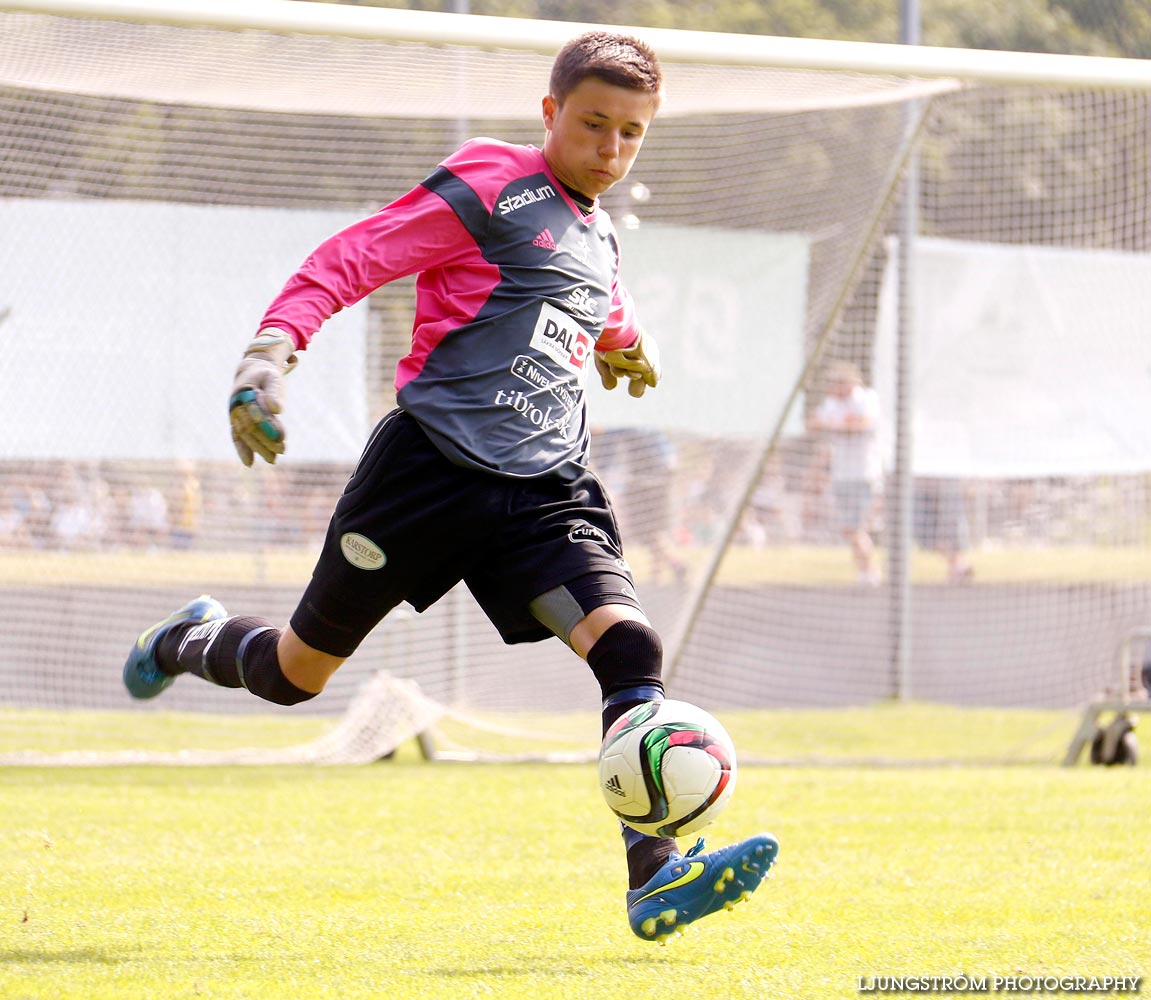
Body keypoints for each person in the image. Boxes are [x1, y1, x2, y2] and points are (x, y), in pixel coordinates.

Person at [122, 31, 777, 943]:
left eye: (632, 135)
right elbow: (355, 256)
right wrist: (270, 355)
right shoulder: (492, 183)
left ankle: (655, 873)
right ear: (550, 113)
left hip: (544, 494)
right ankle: (191, 636)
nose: (611, 150)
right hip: (425, 477)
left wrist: (629, 343)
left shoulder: (600, 233)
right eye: (594, 125)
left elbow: (595, 301)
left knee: (629, 648)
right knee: (293, 676)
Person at [808, 361, 883, 585]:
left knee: (855, 526)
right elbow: (813, 423)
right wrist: (838, 425)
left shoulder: (866, 399)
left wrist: (834, 425)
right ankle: (865, 570)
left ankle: (870, 570)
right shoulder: (832, 404)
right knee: (848, 529)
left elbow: (863, 425)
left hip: (864, 473)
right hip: (841, 474)